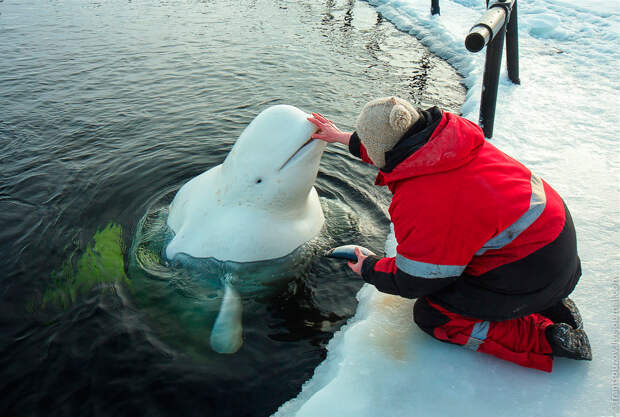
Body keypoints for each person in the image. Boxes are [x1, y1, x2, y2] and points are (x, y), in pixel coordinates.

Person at [308, 96, 591, 372]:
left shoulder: (424, 199)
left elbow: (415, 280)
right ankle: (553, 306)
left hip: (530, 273)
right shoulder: (449, 143)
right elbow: (387, 144)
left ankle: (546, 338)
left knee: (434, 314)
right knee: (479, 258)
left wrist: (369, 268)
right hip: (557, 253)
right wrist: (339, 137)